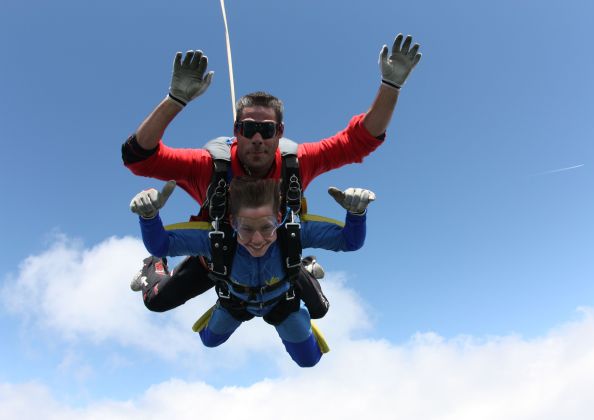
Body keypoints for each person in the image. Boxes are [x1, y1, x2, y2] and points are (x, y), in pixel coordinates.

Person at [122, 33, 421, 312]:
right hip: (218, 255)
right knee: (157, 302)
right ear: (236, 131)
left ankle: (305, 262)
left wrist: (391, 87)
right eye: (248, 129)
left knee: (319, 310)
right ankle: (153, 265)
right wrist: (174, 100)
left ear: (280, 132)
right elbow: (138, 158)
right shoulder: (208, 167)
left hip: (278, 251)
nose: (257, 138)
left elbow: (359, 141)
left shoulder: (297, 162)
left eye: (266, 130)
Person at [130, 177, 376, 367]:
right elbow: (160, 246)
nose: (257, 240)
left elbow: (349, 242)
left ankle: (304, 266)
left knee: (309, 357)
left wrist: (356, 214)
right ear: (232, 222)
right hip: (236, 303)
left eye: (267, 228)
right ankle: (152, 267)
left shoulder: (294, 230)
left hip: (282, 302)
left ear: (279, 219)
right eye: (246, 229)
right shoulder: (215, 237)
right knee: (209, 341)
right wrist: (149, 218)